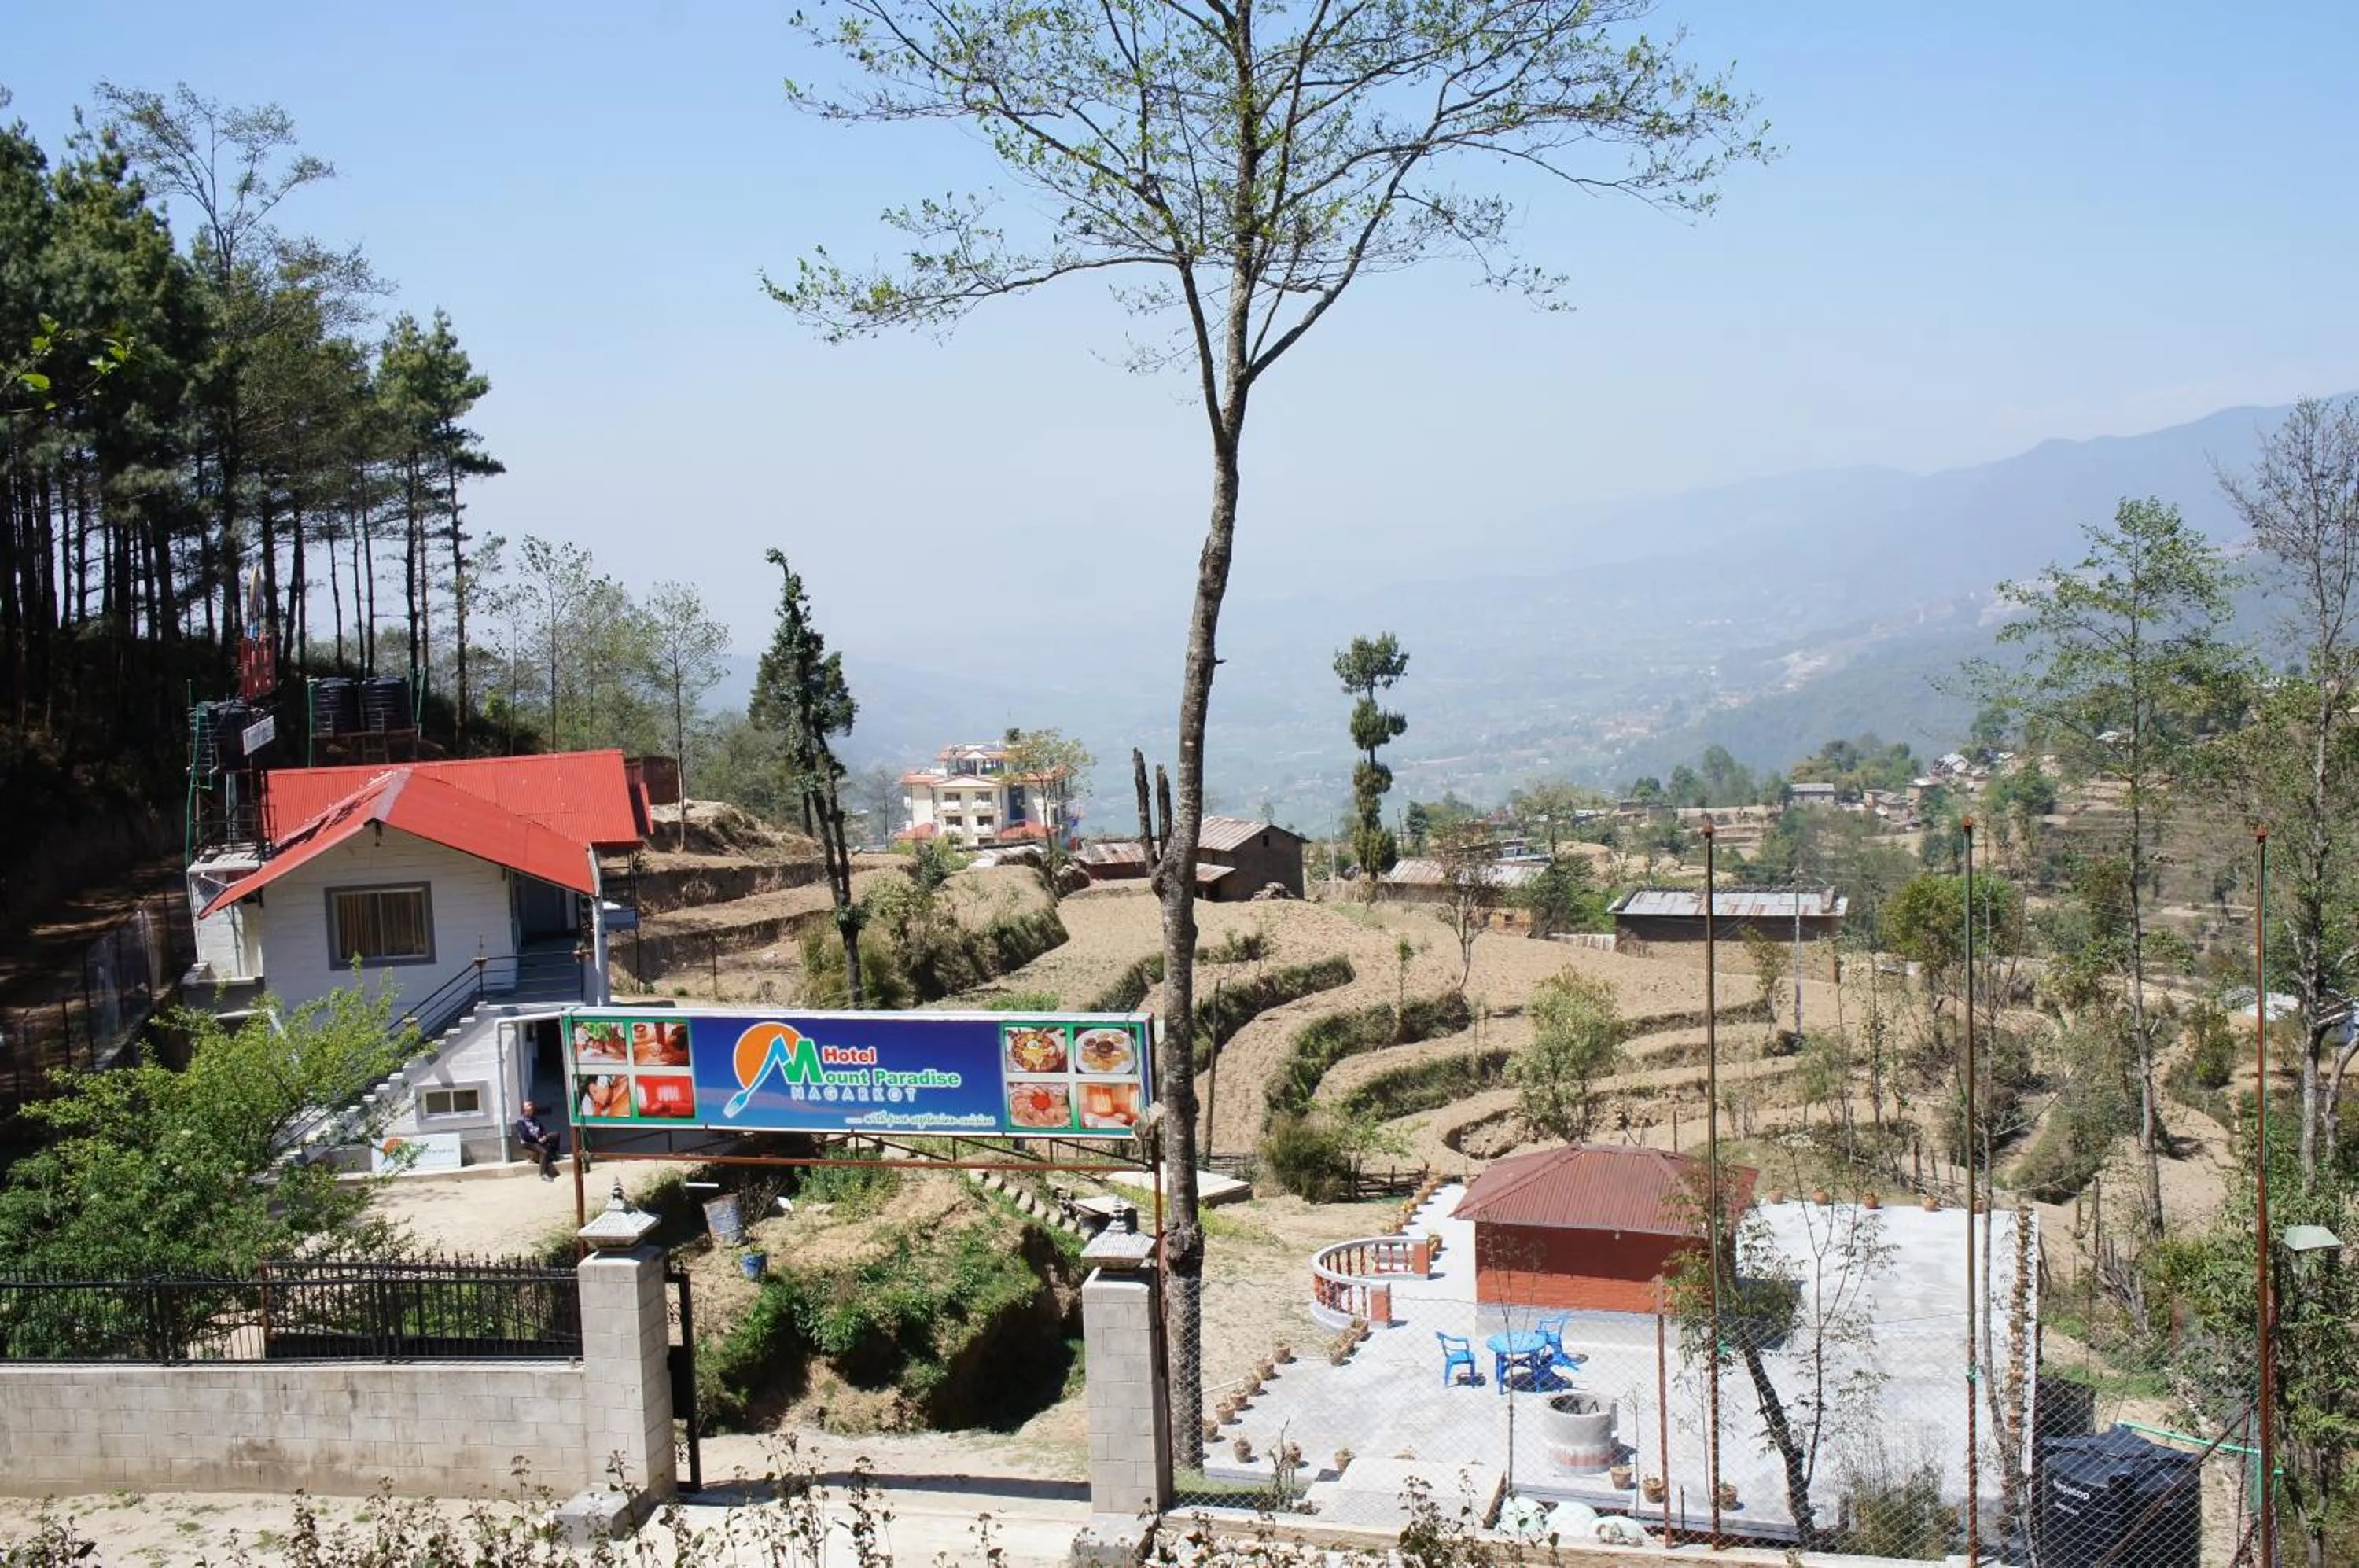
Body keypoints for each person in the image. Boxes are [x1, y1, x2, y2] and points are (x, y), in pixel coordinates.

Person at [516, 1101, 562, 1180]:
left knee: (555, 1135)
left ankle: (554, 1155)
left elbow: (542, 1129)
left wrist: (544, 1136)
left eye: (532, 1109)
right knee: (544, 1152)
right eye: (529, 1110)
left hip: (539, 1139)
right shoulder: (520, 1122)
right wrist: (538, 1140)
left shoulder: (534, 1119)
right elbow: (525, 1136)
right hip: (529, 1143)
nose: (531, 1111)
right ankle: (543, 1174)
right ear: (524, 1110)